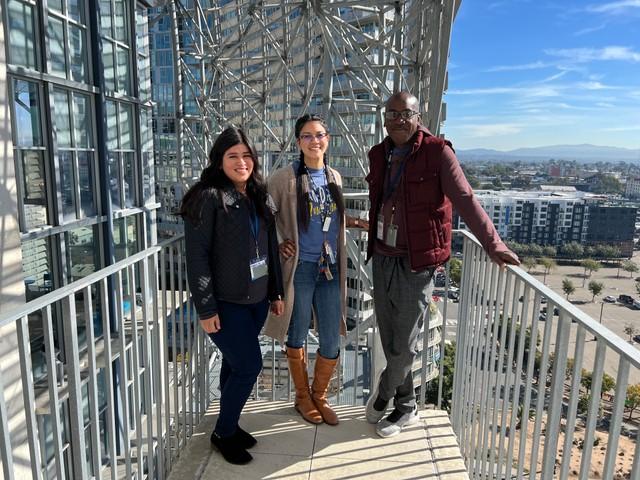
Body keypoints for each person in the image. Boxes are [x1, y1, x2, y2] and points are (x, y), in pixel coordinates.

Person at [364, 91, 520, 438]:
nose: (398, 120)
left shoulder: (438, 152)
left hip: (416, 262)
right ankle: (406, 408)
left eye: (406, 114)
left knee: (404, 344)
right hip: (382, 256)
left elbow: (465, 198)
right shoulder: (379, 155)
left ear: (419, 116)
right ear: (384, 119)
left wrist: (493, 244)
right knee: (390, 338)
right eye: (391, 114)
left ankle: (384, 395)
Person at [181, 126, 285, 464]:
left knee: (234, 363)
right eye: (232, 156)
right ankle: (223, 432)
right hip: (225, 304)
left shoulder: (258, 194)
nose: (241, 162)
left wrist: (277, 291)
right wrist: (205, 307)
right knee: (249, 365)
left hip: (255, 301)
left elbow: (269, 247)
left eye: (246, 155)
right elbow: (197, 257)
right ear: (219, 160)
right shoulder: (208, 197)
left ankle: (230, 423)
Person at [264, 114, 367, 426]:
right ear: (298, 142)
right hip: (300, 268)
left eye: (319, 135)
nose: (314, 141)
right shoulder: (284, 178)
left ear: (328, 139)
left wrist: (361, 223)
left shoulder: (334, 176)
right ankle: (302, 398)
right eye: (307, 136)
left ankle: (319, 396)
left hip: (330, 268)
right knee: (295, 334)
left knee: (332, 337)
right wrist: (280, 242)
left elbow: (331, 217)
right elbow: (264, 215)